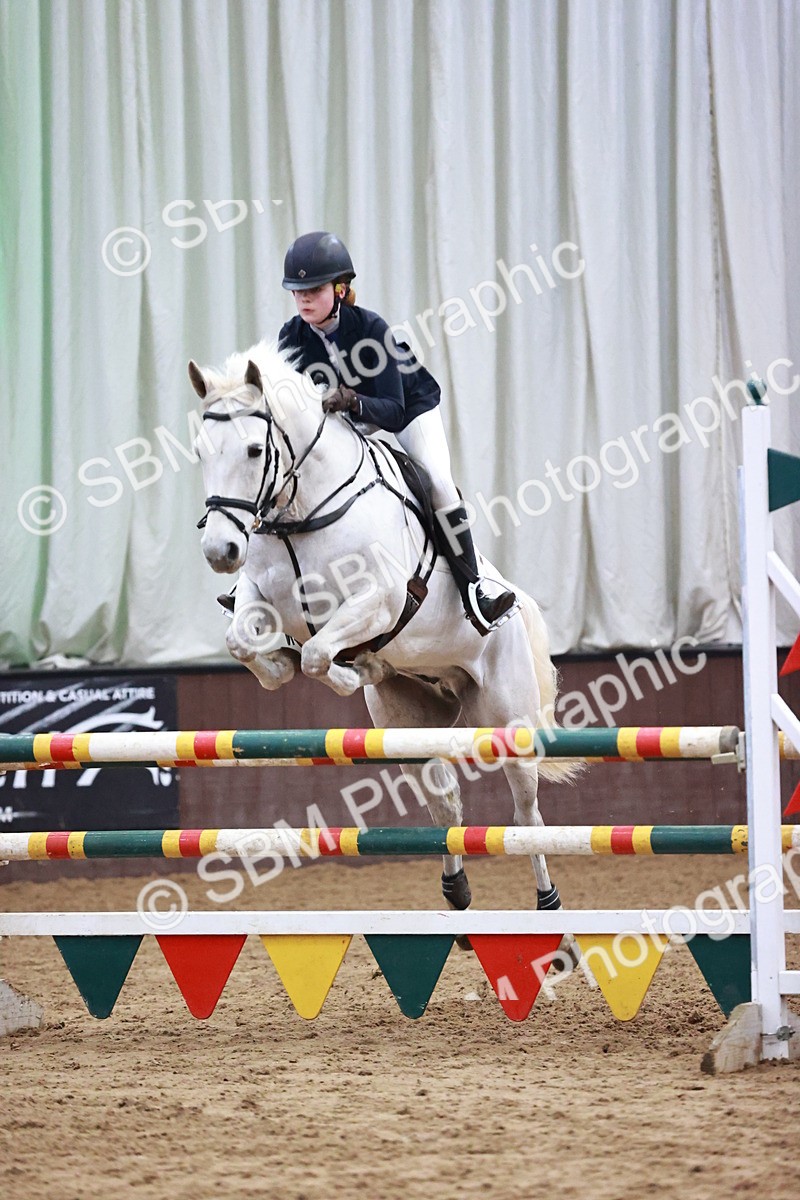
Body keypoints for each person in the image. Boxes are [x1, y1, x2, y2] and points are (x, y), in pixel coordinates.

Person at [278, 230, 517, 635]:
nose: (303, 298)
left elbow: (393, 409)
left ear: (340, 289)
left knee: (439, 484)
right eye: (297, 290)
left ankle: (475, 593)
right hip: (345, 418)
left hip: (408, 408)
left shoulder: (371, 328)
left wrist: (354, 402)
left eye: (313, 289)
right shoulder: (291, 337)